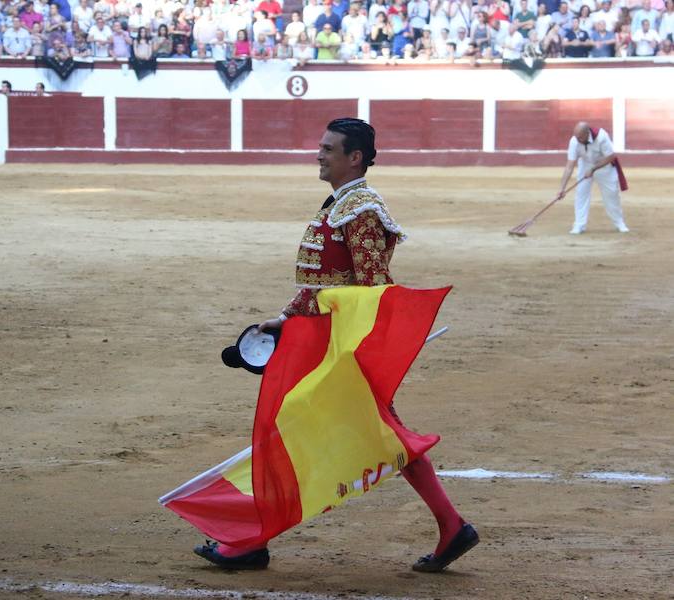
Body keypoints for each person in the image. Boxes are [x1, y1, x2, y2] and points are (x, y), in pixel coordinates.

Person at [193, 118, 479, 572]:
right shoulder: (344, 203)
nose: (319, 154)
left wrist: (352, 350)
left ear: (355, 158)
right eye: (320, 146)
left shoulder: (360, 208)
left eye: (328, 149)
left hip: (338, 348)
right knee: (376, 433)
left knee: (297, 429)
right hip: (323, 340)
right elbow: (324, 281)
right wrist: (285, 318)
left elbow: (372, 288)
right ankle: (451, 525)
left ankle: (249, 541)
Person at [558, 122, 629, 234]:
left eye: (580, 137)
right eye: (576, 136)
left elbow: (611, 156)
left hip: (604, 166)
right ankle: (579, 225)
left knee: (611, 195)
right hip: (585, 165)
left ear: (587, 133)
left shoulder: (601, 136)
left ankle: (619, 223)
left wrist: (593, 169)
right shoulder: (574, 141)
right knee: (581, 193)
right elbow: (569, 166)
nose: (577, 139)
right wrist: (562, 188)